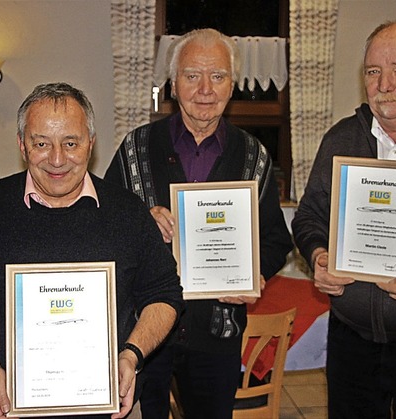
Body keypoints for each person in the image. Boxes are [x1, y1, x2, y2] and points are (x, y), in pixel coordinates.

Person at [0, 82, 184, 419]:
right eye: (41, 143)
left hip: (108, 410)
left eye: (70, 143)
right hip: (8, 410)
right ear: (22, 145)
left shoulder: (129, 213)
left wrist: (131, 355)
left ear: (90, 143)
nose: (57, 159)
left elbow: (165, 294)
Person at [104, 28, 293, 419]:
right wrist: (140, 220)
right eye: (192, 76)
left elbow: (276, 239)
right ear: (173, 84)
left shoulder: (254, 155)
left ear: (233, 84)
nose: (205, 89)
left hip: (217, 335)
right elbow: (100, 225)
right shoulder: (135, 147)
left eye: (218, 76)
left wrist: (254, 274)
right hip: (142, 335)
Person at [292, 21, 396, 418]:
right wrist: (319, 255)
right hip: (352, 342)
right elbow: (309, 215)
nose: (384, 84)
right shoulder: (342, 139)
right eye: (373, 71)